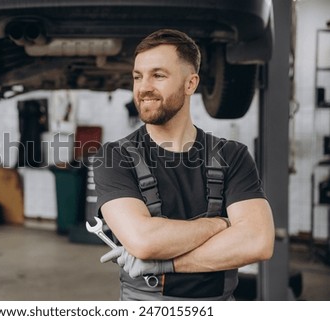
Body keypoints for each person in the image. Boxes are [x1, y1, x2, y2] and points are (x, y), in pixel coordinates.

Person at [92, 29, 275, 301]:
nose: (143, 88)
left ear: (190, 84)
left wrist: (164, 264)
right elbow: (145, 240)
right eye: (137, 76)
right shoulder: (114, 157)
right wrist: (222, 225)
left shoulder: (232, 155)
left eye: (158, 75)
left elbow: (257, 242)